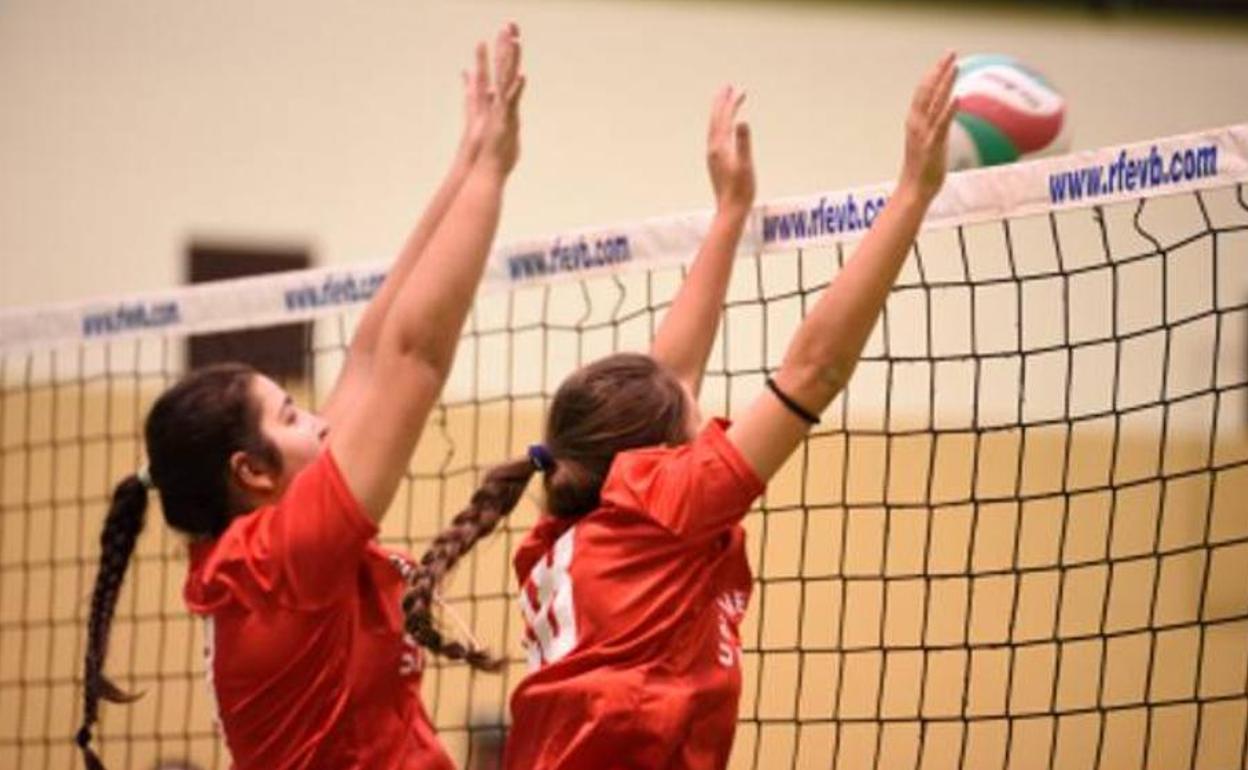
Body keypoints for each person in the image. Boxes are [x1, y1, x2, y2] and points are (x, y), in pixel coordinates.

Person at [401, 51, 958, 770]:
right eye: (693, 414)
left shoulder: (575, 526)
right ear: (653, 455)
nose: (705, 411)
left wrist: (729, 214)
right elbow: (815, 370)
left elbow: (666, 378)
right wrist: (914, 190)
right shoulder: (663, 503)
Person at [75, 23, 526, 770]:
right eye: (290, 417)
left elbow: (373, 350)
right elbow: (417, 356)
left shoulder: (261, 543)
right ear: (250, 471)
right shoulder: (284, 560)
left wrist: (468, 159)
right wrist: (495, 177)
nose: (319, 419)